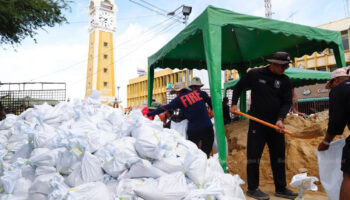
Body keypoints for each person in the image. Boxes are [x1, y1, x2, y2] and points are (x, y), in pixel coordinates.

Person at [231, 51, 297, 200]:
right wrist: (234, 103)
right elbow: (238, 87)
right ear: (273, 63)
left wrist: (281, 118)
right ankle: (252, 188)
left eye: (286, 66)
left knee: (278, 156)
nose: (284, 69)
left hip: (276, 125)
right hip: (258, 123)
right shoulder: (255, 74)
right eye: (283, 66)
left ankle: (281, 188)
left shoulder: (285, 80)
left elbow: (287, 102)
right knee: (254, 156)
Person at [147, 82, 214, 158]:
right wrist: (212, 110)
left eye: (176, 93)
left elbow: (164, 108)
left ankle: (195, 165)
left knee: (192, 151)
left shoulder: (178, 99)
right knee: (206, 150)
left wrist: (149, 114)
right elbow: (212, 103)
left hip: (194, 129)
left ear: (178, 91)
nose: (176, 94)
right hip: (207, 126)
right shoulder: (200, 93)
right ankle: (206, 162)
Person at [318, 67, 350, 200]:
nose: (331, 89)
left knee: (349, 176)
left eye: (330, 86)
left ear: (335, 81)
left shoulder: (340, 89)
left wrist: (326, 142)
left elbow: (336, 123)